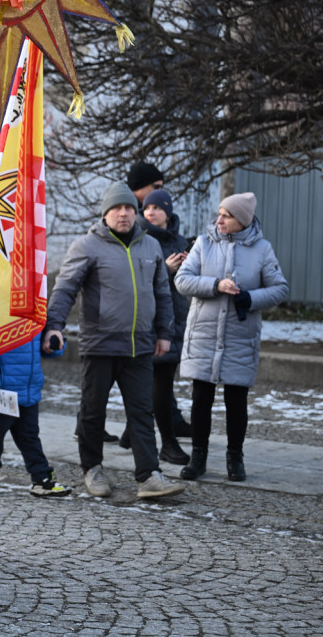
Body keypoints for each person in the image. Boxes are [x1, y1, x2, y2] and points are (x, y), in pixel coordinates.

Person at [44, 182, 185, 499]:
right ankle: (92, 468)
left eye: (129, 209)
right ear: (105, 213)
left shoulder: (150, 247)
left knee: (141, 412)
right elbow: (64, 289)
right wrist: (54, 326)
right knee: (93, 411)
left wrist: (165, 334)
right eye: (116, 209)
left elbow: (162, 293)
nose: (123, 214)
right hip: (100, 345)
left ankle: (148, 475)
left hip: (140, 345)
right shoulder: (87, 246)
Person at [175, 192, 288, 482]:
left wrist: (249, 298)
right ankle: (197, 457)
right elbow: (182, 280)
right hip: (205, 335)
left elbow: (280, 289)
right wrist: (216, 285)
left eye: (227, 215)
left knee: (236, 400)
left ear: (243, 220)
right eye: (220, 213)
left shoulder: (263, 249)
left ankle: (235, 459)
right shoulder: (203, 243)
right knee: (201, 399)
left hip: (241, 336)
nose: (220, 219)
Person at [118, 189, 191, 465]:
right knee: (159, 385)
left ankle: (130, 432)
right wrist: (167, 271)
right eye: (147, 208)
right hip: (146, 322)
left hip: (174, 320)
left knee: (155, 385)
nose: (151, 212)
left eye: (158, 208)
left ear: (168, 211)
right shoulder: (138, 239)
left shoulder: (180, 240)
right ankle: (168, 444)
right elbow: (134, 279)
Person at [0, 333, 73, 498]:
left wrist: (57, 344)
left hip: (28, 393)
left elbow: (48, 348)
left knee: (30, 438)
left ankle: (41, 478)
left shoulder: (36, 318)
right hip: (1, 393)